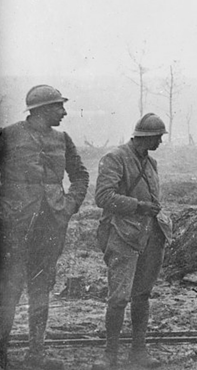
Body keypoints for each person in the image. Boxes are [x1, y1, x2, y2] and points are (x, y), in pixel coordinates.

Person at [0, 85, 89, 370]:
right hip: (14, 226)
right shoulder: (8, 136)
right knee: (9, 289)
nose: (64, 112)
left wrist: (68, 205)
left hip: (50, 226)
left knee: (41, 287)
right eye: (58, 107)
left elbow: (80, 175)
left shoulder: (63, 139)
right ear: (41, 110)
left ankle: (36, 354)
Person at [92, 113, 172, 369]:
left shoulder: (151, 163)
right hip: (122, 235)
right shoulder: (115, 158)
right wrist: (138, 206)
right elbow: (103, 196)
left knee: (142, 295)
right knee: (118, 297)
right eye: (158, 137)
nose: (160, 142)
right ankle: (109, 355)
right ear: (145, 137)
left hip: (150, 235)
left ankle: (139, 352)